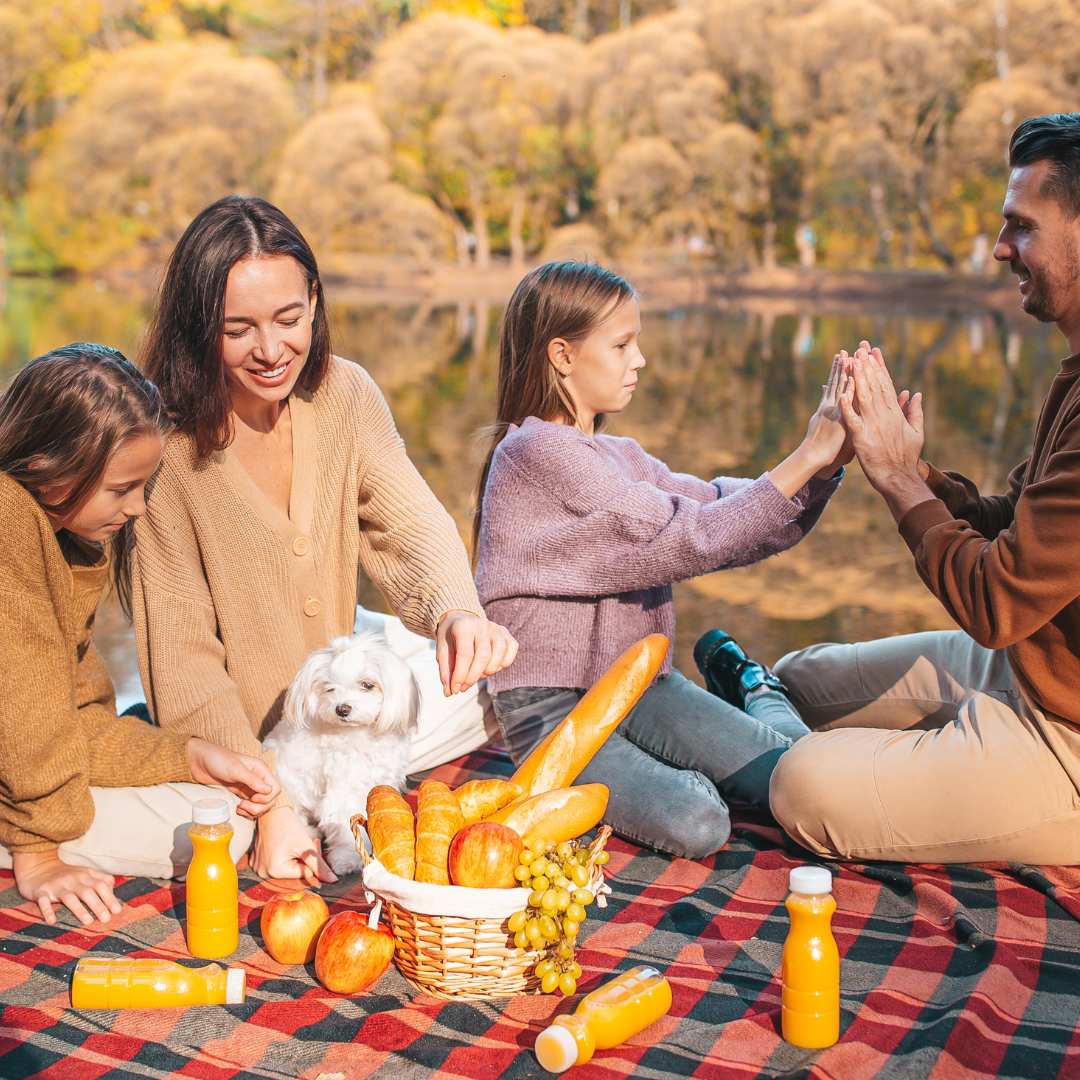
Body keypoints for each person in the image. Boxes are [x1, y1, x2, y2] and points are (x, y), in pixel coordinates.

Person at [128, 196, 517, 886]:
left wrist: (457, 611)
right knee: (202, 829)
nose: (272, 350)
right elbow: (184, 658)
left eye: (287, 318)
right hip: (237, 743)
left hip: (342, 704)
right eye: (238, 329)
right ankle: (264, 799)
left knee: (500, 676)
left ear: (314, 299)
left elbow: (410, 519)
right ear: (197, 328)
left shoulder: (345, 393)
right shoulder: (162, 448)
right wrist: (272, 805)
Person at [770, 113, 1080, 865]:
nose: (1002, 247)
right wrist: (923, 472)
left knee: (799, 785)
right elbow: (1022, 532)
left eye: (1021, 226)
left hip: (1068, 739)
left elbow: (996, 600)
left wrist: (898, 481)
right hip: (1026, 668)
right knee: (796, 678)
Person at [474, 261, 851, 859]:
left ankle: (752, 685)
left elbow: (727, 513)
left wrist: (825, 465)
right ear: (562, 356)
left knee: (801, 773)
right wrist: (804, 457)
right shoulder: (533, 453)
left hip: (641, 687)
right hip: (555, 708)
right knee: (700, 821)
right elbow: (690, 536)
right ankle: (726, 725)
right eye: (622, 344)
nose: (640, 359)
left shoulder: (619, 455)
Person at [0, 344, 282, 927]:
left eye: (143, 486)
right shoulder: (8, 527)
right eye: (120, 488)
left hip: (30, 763)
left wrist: (186, 757)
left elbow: (72, 714)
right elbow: (26, 717)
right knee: (221, 832)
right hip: (20, 786)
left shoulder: (61, 536)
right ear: (54, 462)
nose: (137, 508)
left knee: (210, 801)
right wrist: (38, 856)